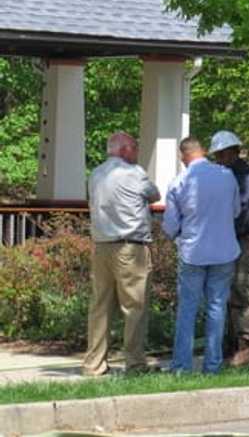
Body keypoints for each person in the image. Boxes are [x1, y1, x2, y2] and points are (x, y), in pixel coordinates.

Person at [162, 136, 241, 374]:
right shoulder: (227, 176)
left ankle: (181, 367)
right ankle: (212, 365)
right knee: (217, 309)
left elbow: (170, 226)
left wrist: (178, 234)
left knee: (188, 309)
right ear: (203, 152)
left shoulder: (180, 182)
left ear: (183, 157)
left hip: (193, 253)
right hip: (224, 251)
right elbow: (236, 211)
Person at [84, 132, 161, 376]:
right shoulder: (134, 173)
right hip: (130, 247)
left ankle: (94, 364)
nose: (137, 152)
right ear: (126, 149)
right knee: (134, 307)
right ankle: (135, 364)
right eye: (136, 148)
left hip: (101, 247)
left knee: (100, 307)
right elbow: (155, 194)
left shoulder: (95, 174)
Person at [208, 130, 249, 367]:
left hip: (241, 242)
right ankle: (230, 347)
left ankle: (244, 347)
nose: (218, 159)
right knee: (227, 296)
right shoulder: (229, 175)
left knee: (240, 294)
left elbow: (248, 214)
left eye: (221, 154)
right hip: (229, 241)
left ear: (232, 152)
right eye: (216, 155)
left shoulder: (246, 178)